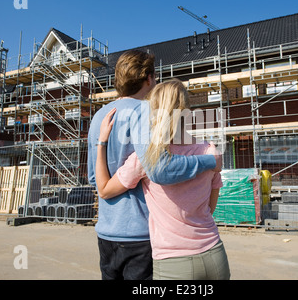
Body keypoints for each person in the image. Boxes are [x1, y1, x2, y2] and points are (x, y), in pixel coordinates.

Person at [87, 51, 221, 280]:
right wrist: (211, 161)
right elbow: (159, 169)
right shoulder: (145, 112)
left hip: (107, 232)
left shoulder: (99, 116)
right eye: (156, 77)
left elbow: (93, 178)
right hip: (140, 232)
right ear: (148, 78)